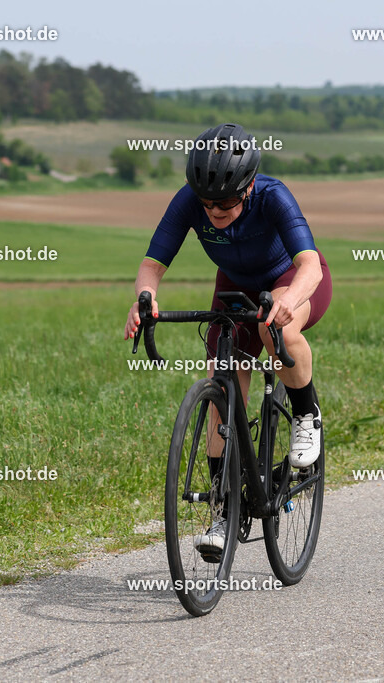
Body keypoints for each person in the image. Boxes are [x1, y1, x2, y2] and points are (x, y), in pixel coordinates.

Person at [124, 123, 332, 557]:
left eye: (224, 203)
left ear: (248, 186)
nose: (213, 212)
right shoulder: (191, 201)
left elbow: (310, 265)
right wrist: (144, 298)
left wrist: (290, 300)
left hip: (290, 279)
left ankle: (305, 415)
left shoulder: (273, 196)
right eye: (206, 204)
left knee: (273, 328)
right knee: (222, 380)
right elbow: (153, 261)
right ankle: (224, 506)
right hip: (234, 284)